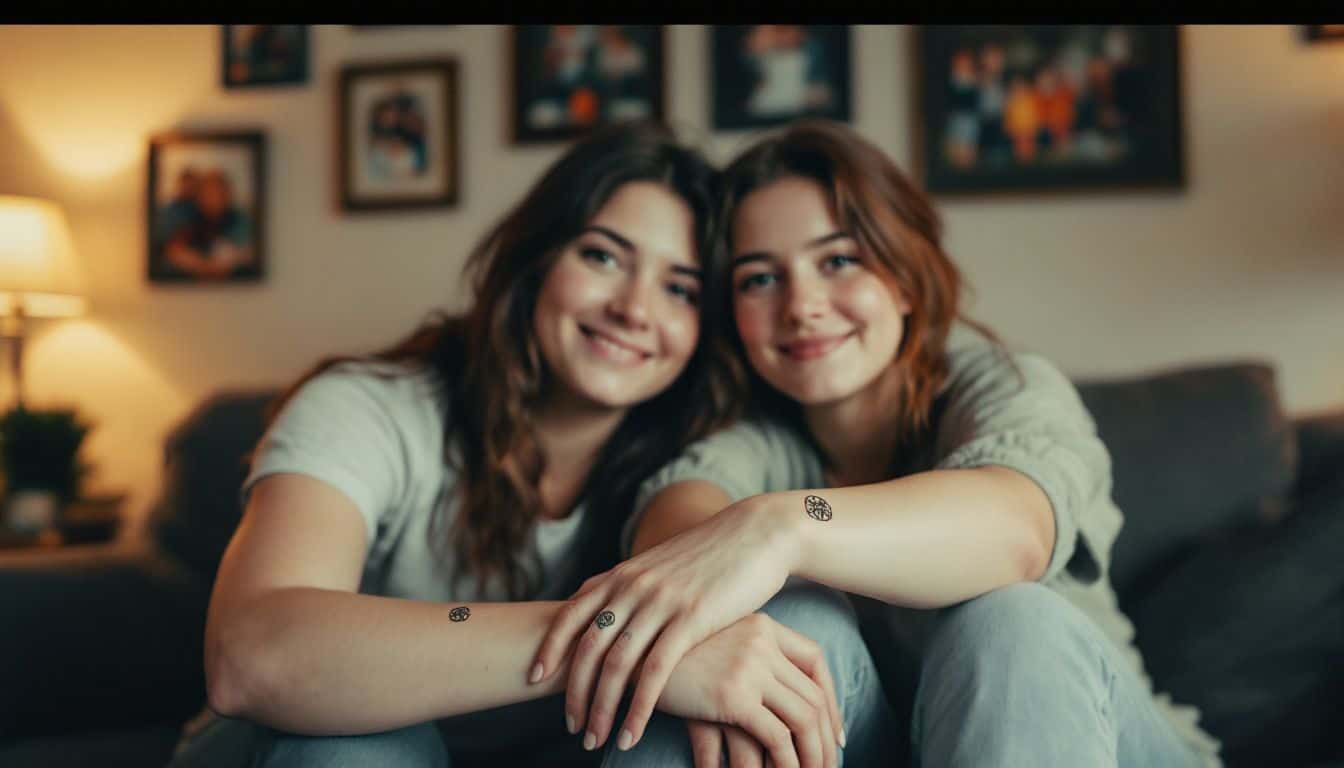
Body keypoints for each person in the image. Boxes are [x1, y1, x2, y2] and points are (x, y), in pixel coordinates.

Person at [171, 122, 882, 767]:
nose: (635, 309)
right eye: (604, 256)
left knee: (807, 622)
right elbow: (252, 655)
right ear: (535, 259)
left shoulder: (708, 451)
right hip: (291, 753)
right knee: (358, 746)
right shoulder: (372, 408)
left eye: (681, 289)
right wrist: (604, 637)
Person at [533, 119, 1224, 767]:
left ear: (903, 279)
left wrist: (782, 528)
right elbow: (673, 529)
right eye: (760, 278)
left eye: (839, 261)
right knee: (779, 625)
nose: (801, 304)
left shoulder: (1001, 386)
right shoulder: (764, 436)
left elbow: (1015, 528)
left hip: (1101, 738)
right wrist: (720, 592)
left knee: (1009, 619)